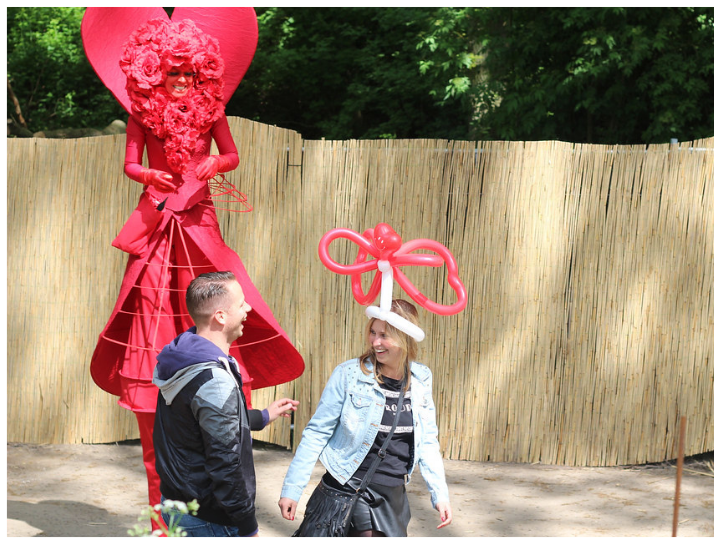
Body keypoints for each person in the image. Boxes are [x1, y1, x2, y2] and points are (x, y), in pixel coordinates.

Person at [87, 15, 305, 518]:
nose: (181, 81)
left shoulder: (212, 112)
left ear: (201, 74)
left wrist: (213, 164)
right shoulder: (143, 112)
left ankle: (224, 376)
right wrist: (149, 174)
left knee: (222, 292)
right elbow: (130, 164)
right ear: (155, 73)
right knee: (149, 301)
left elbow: (230, 156)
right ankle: (163, 516)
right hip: (160, 217)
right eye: (172, 74)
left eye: (188, 74)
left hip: (200, 218)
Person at [278, 299, 453, 537]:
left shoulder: (421, 378)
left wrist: (439, 494)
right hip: (351, 486)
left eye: (385, 335)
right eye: (373, 332)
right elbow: (317, 432)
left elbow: (428, 441)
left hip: (394, 494)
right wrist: (292, 488)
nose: (376, 342)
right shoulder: (349, 375)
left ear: (405, 337)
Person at [153, 271, 300, 537]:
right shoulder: (214, 379)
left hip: (177, 504)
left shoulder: (183, 355)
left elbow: (196, 422)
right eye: (242, 303)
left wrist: (264, 415)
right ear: (220, 316)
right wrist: (247, 526)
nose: (249, 308)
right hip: (209, 517)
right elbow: (226, 464)